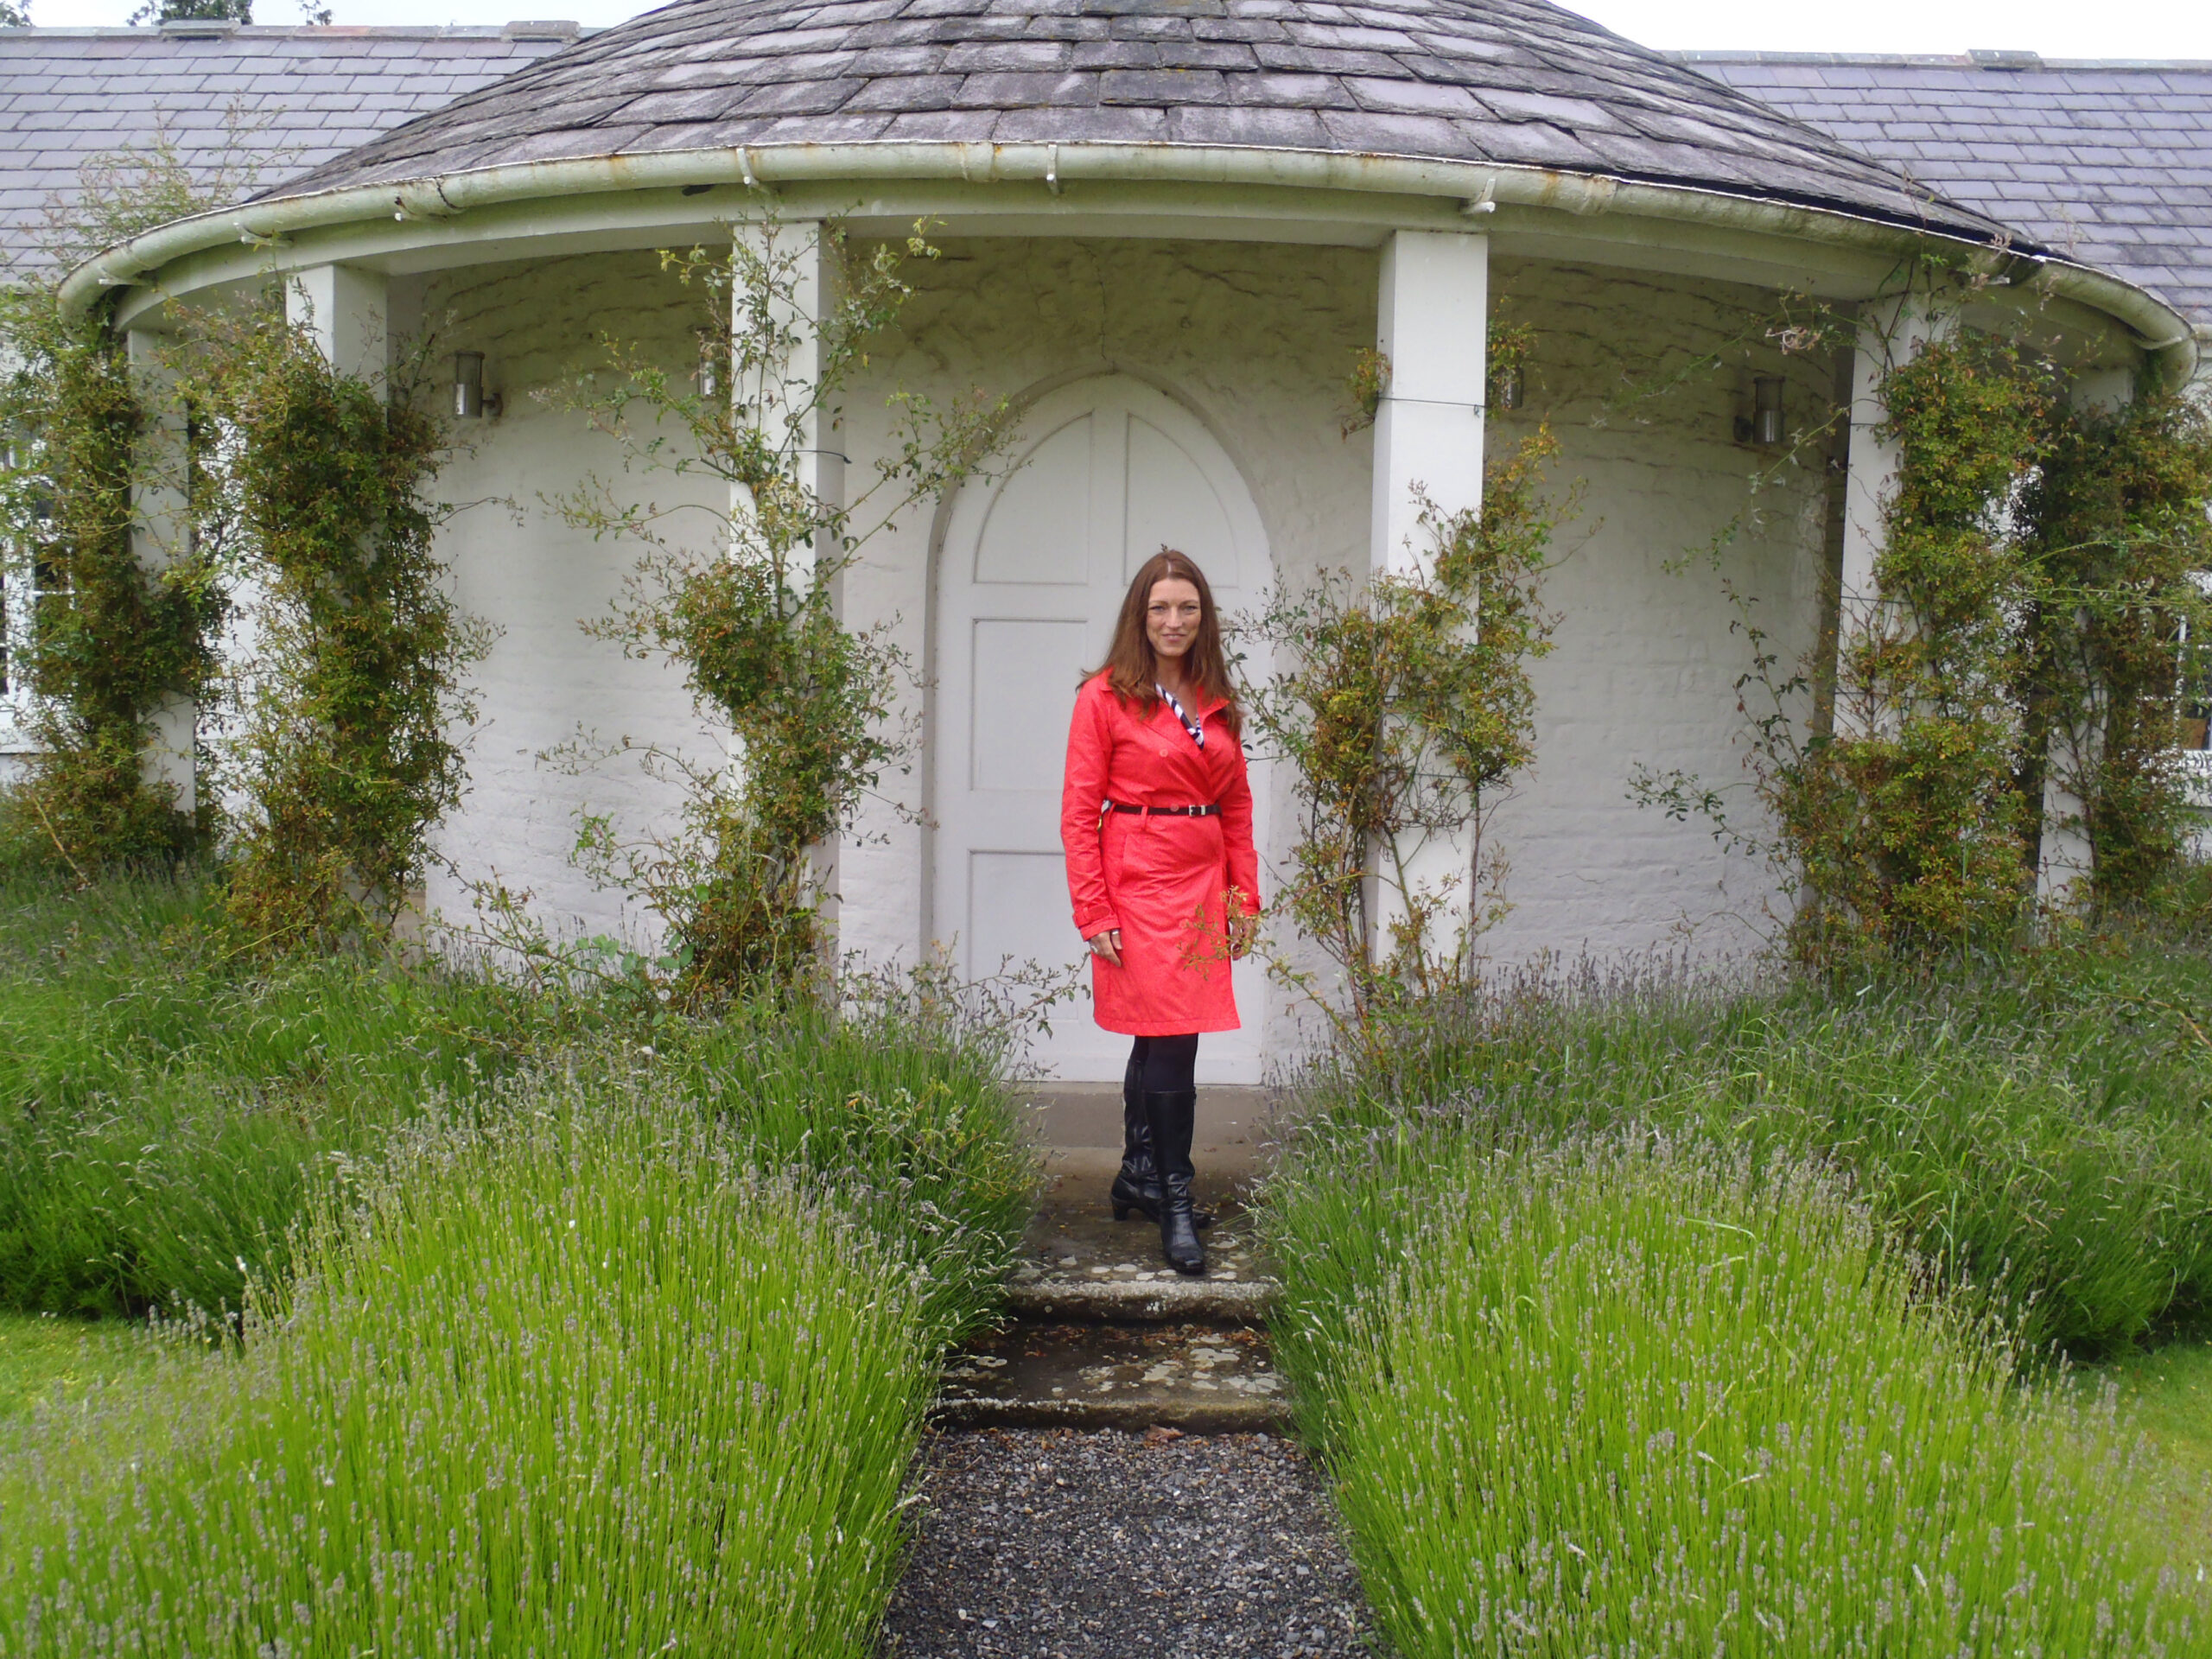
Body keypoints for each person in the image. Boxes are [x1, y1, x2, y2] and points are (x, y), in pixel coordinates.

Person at [1060, 549, 1261, 1276]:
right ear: (1138, 618)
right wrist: (1094, 910)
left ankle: (1140, 1174)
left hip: (1204, 882)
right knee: (1173, 1034)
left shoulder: (1216, 695)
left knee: (1164, 1032)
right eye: (1159, 609)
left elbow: (1236, 806)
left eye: (1187, 608)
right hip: (1138, 879)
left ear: (1203, 617)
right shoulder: (1103, 696)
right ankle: (1175, 1198)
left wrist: (1244, 897)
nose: (1173, 621)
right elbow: (1080, 813)